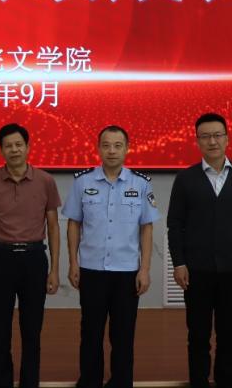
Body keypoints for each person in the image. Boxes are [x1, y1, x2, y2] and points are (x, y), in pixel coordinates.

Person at [167, 112, 232, 388]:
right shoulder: (185, 178)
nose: (212, 141)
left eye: (217, 135)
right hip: (196, 271)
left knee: (228, 334)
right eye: (205, 136)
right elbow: (175, 224)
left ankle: (226, 381)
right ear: (197, 141)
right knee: (198, 335)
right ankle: (199, 381)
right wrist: (178, 263)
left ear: (227, 139)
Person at [62, 125, 160, 388]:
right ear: (98, 149)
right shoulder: (82, 182)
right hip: (91, 270)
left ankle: (121, 381)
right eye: (106, 145)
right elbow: (73, 224)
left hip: (127, 272)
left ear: (127, 149)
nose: (112, 151)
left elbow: (147, 228)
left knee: (123, 335)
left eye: (118, 145)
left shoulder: (141, 183)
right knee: (90, 333)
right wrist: (73, 262)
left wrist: (145, 269)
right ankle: (90, 381)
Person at [0, 122, 61, 388]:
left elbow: (53, 226)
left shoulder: (45, 181)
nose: (14, 150)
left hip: (34, 260)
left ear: (28, 147)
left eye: (19, 145)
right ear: (0, 149)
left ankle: (29, 383)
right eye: (8, 146)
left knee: (32, 330)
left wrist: (55, 269)